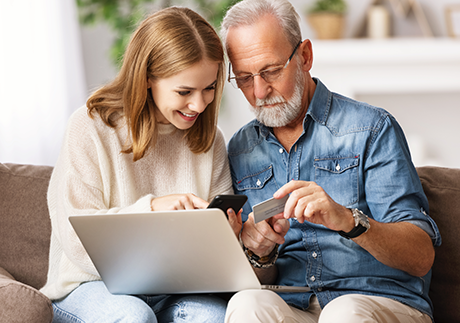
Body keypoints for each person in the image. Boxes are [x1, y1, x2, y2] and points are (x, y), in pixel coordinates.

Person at [220, 0, 441, 322]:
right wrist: (260, 255)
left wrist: (348, 220)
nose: (258, 91)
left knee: (343, 312)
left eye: (270, 71)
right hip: (294, 305)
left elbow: (420, 256)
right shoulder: (241, 148)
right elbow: (262, 279)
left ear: (305, 56)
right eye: (243, 78)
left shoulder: (371, 128)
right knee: (246, 303)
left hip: (378, 302)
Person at [40, 6, 240, 323]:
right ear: (147, 78)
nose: (199, 104)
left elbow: (217, 248)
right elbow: (77, 241)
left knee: (214, 317)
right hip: (90, 287)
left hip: (177, 290)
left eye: (209, 88)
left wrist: (227, 236)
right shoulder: (90, 127)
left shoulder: (209, 139)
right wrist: (153, 209)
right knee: (133, 316)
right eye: (184, 91)